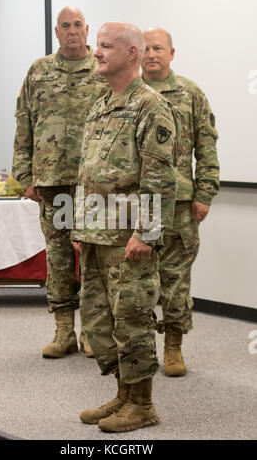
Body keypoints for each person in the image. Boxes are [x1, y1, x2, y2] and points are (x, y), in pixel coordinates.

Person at [71, 22, 177, 433]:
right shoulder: (101, 103)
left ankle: (143, 404)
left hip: (128, 237)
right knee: (98, 321)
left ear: (131, 53)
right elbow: (89, 172)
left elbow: (159, 178)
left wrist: (146, 234)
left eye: (105, 46)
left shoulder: (151, 106)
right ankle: (123, 394)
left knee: (131, 319)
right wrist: (80, 227)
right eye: (97, 46)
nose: (96, 53)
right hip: (96, 234)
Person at [12, 7, 107, 359]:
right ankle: (64, 330)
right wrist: (24, 175)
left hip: (93, 184)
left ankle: (92, 332)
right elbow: (24, 123)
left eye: (77, 25)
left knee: (95, 257)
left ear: (87, 30)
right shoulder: (39, 71)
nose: (71, 31)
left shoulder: (102, 70)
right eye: (65, 26)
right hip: (53, 183)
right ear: (56, 32)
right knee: (60, 257)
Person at [141, 28, 219, 376]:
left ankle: (173, 347)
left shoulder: (190, 93)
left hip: (179, 204)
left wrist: (204, 194)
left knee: (175, 278)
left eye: (158, 48)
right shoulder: (127, 92)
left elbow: (207, 147)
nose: (151, 54)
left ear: (172, 53)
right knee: (136, 280)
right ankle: (138, 349)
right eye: (145, 48)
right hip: (135, 203)